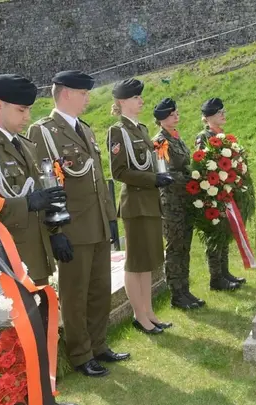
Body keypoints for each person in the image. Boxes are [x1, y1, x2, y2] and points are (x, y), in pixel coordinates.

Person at [0, 74, 80, 405]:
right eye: (21, 109)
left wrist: (56, 230)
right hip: (8, 256)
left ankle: (43, 397)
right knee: (13, 334)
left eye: (29, 109)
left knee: (40, 326)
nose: (28, 115)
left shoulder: (24, 144)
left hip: (35, 251)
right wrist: (26, 204)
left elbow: (43, 190)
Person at [28, 70, 129, 377]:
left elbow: (98, 179)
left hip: (96, 224)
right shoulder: (43, 132)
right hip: (72, 228)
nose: (88, 99)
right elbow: (45, 184)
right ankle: (80, 354)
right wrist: (56, 232)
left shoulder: (84, 129)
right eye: (83, 94)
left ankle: (98, 345)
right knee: (75, 294)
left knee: (100, 289)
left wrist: (110, 220)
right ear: (67, 94)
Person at [107, 79, 174, 334]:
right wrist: (153, 179)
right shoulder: (118, 132)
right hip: (135, 203)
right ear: (122, 102)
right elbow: (119, 171)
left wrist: (161, 175)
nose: (141, 101)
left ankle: (148, 312)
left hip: (149, 201)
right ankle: (139, 315)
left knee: (147, 262)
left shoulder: (142, 129)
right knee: (135, 263)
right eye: (136, 98)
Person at [153, 98, 205, 310]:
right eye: (172, 114)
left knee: (184, 246)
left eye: (176, 113)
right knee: (175, 248)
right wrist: (192, 180)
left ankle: (185, 289)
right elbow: (164, 173)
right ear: (163, 118)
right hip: (171, 202)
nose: (177, 116)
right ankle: (176, 293)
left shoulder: (176, 138)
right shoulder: (160, 141)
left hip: (184, 200)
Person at [195, 98, 244, 291]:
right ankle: (216, 278)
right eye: (219, 112)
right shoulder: (204, 136)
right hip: (212, 193)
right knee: (215, 234)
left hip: (225, 192)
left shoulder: (222, 136)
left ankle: (225, 272)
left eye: (223, 111)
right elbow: (201, 165)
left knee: (224, 232)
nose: (223, 115)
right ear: (209, 117)